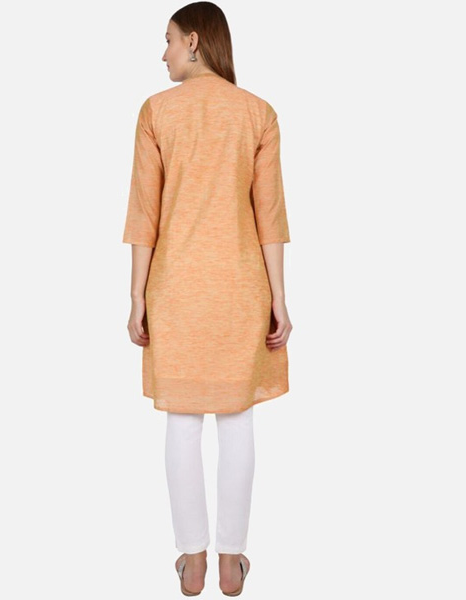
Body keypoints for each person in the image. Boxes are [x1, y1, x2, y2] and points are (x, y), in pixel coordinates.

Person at [122, 2, 292, 595]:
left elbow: (143, 214)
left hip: (174, 288)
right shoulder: (258, 113)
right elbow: (271, 217)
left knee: (183, 421)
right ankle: (231, 561)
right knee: (238, 419)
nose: (163, 53)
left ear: (193, 41)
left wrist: (136, 296)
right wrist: (280, 298)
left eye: (168, 40)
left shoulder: (156, 112)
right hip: (242, 288)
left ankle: (191, 559)